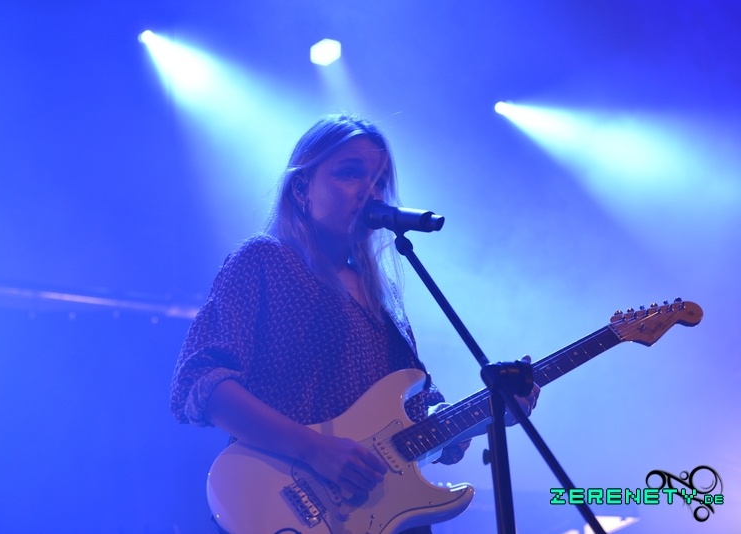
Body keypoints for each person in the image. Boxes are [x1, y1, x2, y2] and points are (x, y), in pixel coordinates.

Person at [170, 114, 539, 533]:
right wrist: (314, 449)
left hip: (385, 517)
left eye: (380, 181)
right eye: (350, 173)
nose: (370, 192)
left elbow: (417, 420)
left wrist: (490, 412)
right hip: (288, 506)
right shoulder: (266, 260)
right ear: (302, 188)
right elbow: (201, 381)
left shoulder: (384, 296)